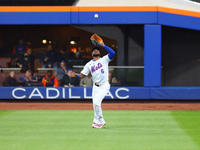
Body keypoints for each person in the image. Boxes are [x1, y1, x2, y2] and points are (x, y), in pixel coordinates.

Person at [72, 36, 115, 129]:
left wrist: (103, 45)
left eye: (97, 50)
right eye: (94, 50)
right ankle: (96, 121)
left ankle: (101, 121)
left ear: (99, 53)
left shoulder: (104, 59)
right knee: (95, 105)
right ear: (91, 53)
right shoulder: (88, 64)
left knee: (96, 102)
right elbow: (83, 75)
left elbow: (113, 53)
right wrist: (77, 75)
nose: (96, 51)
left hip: (104, 85)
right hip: (95, 87)